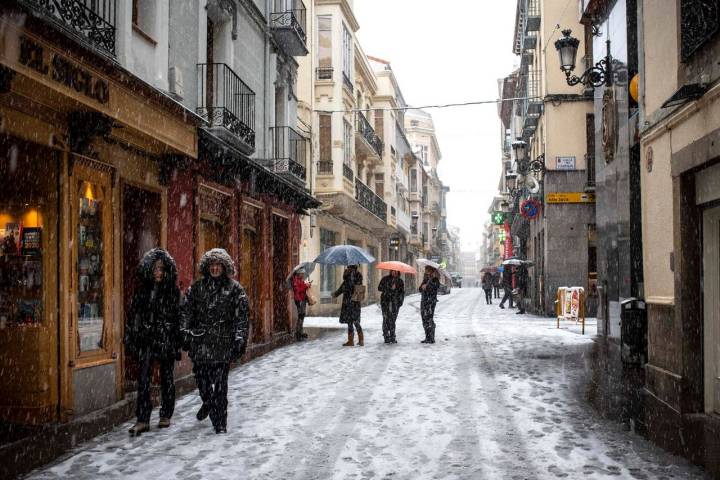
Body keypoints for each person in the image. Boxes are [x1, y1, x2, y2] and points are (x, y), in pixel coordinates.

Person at [182, 248, 249, 434]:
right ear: (207, 267)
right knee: (202, 382)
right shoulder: (196, 288)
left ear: (224, 267)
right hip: (201, 342)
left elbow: (242, 317)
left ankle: (220, 421)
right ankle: (208, 402)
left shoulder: (235, 289)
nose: (214, 268)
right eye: (211, 265)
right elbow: (187, 312)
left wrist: (239, 338)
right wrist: (185, 331)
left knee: (220, 385)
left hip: (222, 342)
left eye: (218, 265)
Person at [124, 248, 182, 436]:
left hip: (165, 338)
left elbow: (178, 317)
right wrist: (133, 335)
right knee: (143, 379)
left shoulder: (172, 291)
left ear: (166, 271)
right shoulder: (142, 291)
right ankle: (142, 419)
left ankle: (166, 414)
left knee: (166, 378)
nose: (158, 272)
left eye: (161, 269)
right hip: (147, 339)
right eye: (155, 269)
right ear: (150, 270)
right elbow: (134, 316)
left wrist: (175, 338)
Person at [333, 265, 363, 347]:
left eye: (349, 268)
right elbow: (343, 287)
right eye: (348, 268)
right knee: (350, 321)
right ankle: (352, 341)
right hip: (349, 302)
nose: (348, 269)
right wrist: (336, 294)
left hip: (354, 302)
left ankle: (360, 340)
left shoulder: (357, 276)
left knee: (355, 321)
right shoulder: (348, 277)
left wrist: (349, 279)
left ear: (353, 268)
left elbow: (356, 288)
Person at [378, 270, 405, 344]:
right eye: (393, 271)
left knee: (393, 319)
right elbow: (379, 288)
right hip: (385, 301)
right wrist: (389, 287)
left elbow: (402, 292)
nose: (394, 272)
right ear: (391, 271)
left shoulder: (400, 281)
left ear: (398, 272)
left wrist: (400, 302)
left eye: (396, 271)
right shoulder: (385, 279)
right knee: (385, 318)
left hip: (395, 302)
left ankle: (392, 336)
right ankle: (386, 336)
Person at [419, 266, 440, 344]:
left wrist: (428, 285)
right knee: (424, 319)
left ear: (431, 270)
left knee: (429, 319)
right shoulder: (425, 279)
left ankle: (431, 338)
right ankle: (427, 337)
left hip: (430, 302)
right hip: (424, 301)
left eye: (427, 270)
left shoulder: (435, 279)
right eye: (426, 270)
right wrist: (422, 287)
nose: (426, 271)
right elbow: (420, 289)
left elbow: (436, 287)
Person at [291, 269, 312, 341]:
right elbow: (298, 290)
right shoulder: (295, 280)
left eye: (303, 274)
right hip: (299, 300)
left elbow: (303, 287)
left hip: (303, 300)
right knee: (300, 316)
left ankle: (301, 331)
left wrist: (307, 285)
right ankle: (298, 332)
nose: (303, 275)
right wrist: (305, 286)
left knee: (302, 316)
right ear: (298, 274)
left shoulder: (301, 280)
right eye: (302, 274)